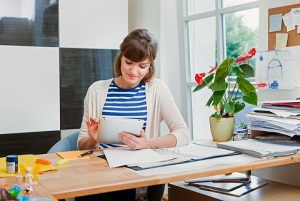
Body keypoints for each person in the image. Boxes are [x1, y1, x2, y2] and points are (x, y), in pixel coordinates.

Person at [77, 29, 189, 201]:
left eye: (142, 66)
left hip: (139, 173)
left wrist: (147, 143)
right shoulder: (97, 90)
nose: (134, 71)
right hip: (102, 172)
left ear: (150, 65)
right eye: (129, 62)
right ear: (121, 57)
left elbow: (183, 134)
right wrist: (93, 138)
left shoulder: (157, 89)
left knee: (127, 191)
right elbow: (82, 146)